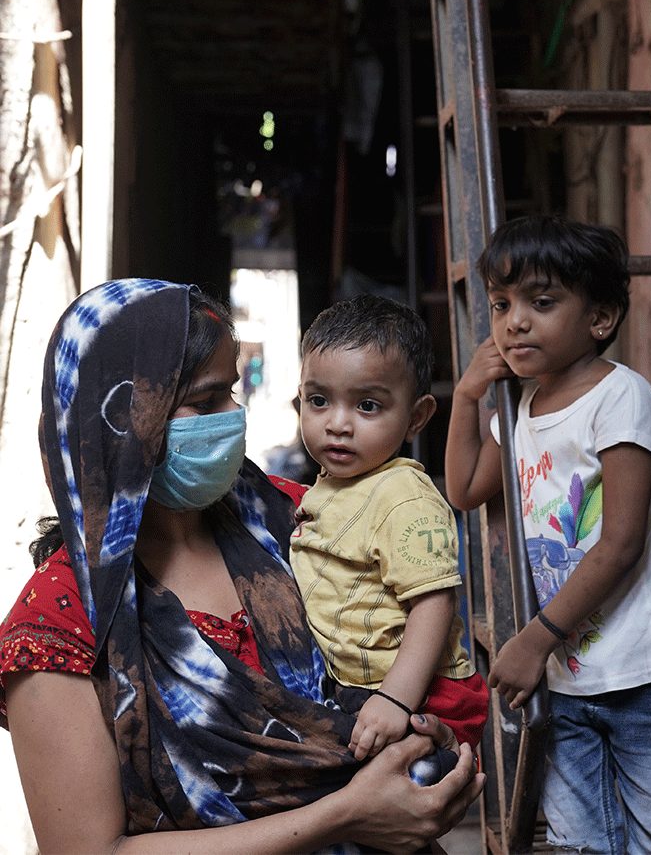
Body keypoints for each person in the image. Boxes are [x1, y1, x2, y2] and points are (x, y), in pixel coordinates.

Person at [0, 278, 484, 853]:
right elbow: (88, 850)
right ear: (123, 417)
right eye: (205, 403)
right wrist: (346, 815)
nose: (233, 416)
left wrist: (426, 762)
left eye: (231, 392)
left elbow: (411, 649)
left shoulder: (296, 519)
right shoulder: (59, 624)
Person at [445, 215, 651, 853]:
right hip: (567, 673)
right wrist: (466, 395)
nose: (514, 323)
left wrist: (535, 639)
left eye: (542, 302)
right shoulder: (520, 410)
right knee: (579, 842)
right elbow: (464, 490)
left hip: (645, 670)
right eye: (502, 305)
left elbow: (621, 543)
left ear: (600, 318)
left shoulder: (622, 399)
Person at [290, 295, 489, 760]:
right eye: (318, 401)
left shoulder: (404, 495)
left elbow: (433, 602)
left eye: (367, 406)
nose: (338, 424)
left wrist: (396, 698)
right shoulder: (338, 482)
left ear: (416, 418)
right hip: (362, 684)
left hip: (419, 692)